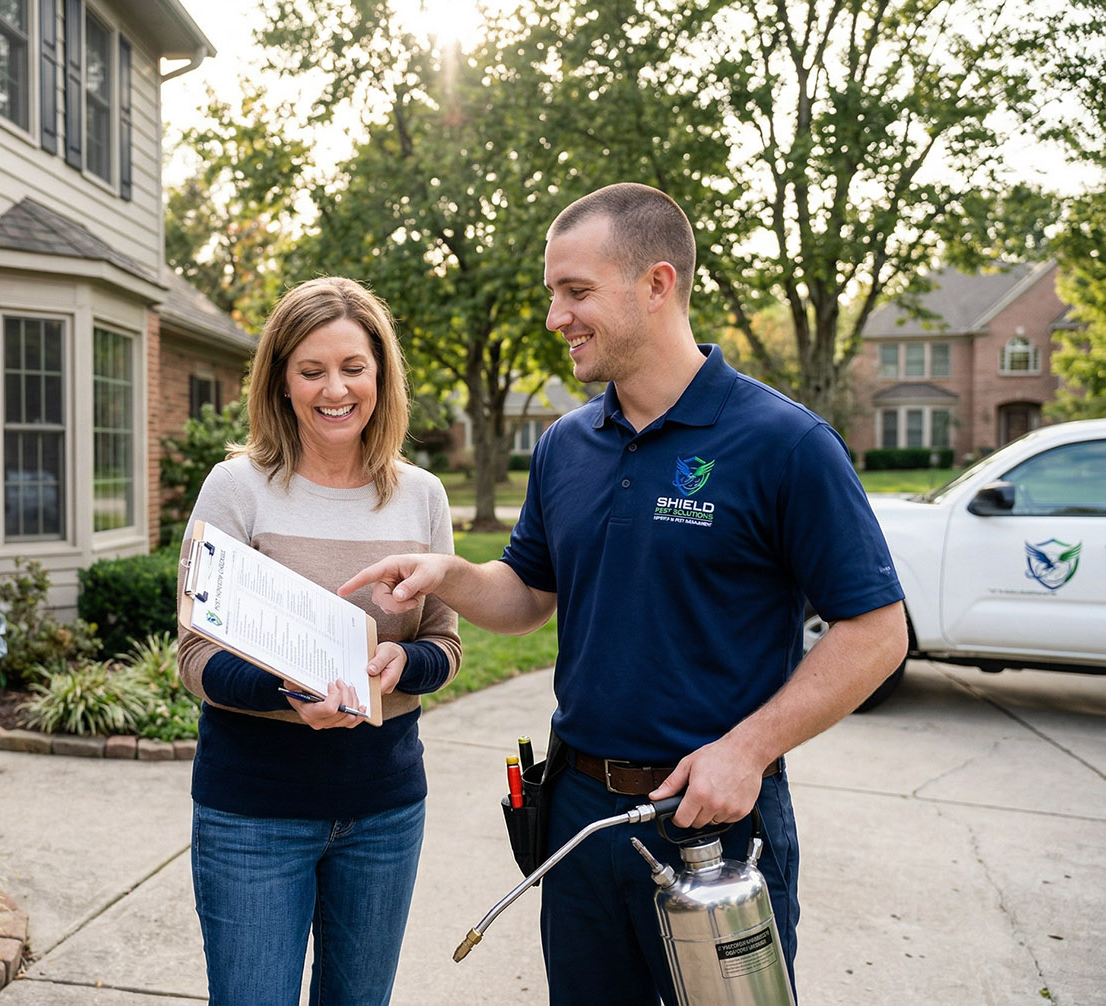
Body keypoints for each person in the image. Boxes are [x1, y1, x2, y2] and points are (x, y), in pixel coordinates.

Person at [340, 183, 908, 1004]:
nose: (554, 316)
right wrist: (454, 576)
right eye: (551, 295)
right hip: (578, 820)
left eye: (576, 292)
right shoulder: (568, 445)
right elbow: (529, 594)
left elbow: (875, 629)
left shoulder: (785, 444)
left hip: (719, 828)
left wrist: (746, 751)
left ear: (657, 284)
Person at [178, 276, 462, 1006]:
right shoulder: (236, 489)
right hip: (253, 813)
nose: (334, 389)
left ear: (380, 375)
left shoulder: (422, 495)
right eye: (311, 371)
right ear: (281, 382)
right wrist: (286, 687)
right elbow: (194, 659)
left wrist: (402, 666)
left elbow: (445, 646)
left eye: (352, 368)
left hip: (384, 810)